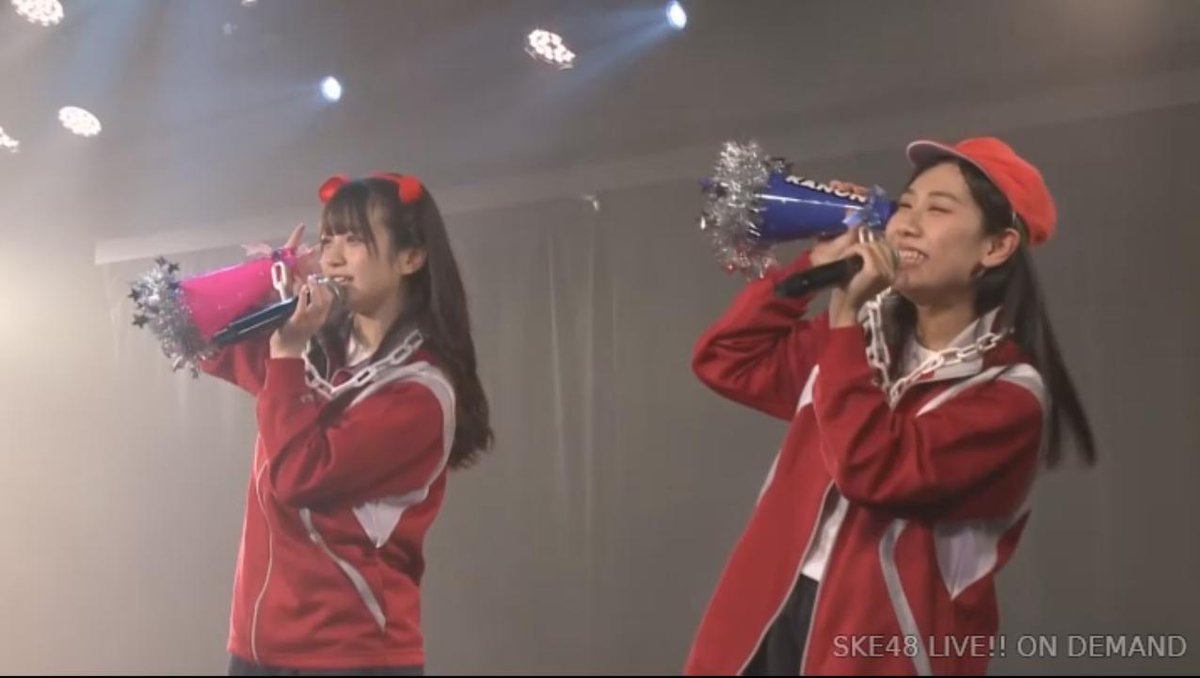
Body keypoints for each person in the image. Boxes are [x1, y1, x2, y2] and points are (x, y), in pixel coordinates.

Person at [685, 137, 1096, 675]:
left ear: (996, 247)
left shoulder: (1010, 394)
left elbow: (876, 470)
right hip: (773, 611)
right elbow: (727, 358)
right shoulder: (864, 337)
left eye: (938, 210)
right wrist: (816, 261)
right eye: (905, 205)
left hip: (881, 645)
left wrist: (845, 320)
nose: (906, 225)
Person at [199, 172, 493, 676]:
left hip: (349, 653)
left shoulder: (420, 392)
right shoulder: (317, 346)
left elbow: (297, 477)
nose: (330, 258)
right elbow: (200, 338)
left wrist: (287, 353)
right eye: (327, 238)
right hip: (257, 646)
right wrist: (264, 279)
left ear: (410, 257)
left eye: (353, 240)